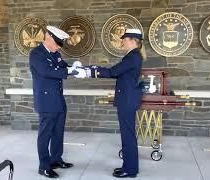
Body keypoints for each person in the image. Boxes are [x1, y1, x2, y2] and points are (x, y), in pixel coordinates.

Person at [79, 29, 146, 178]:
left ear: (133, 41)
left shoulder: (133, 57)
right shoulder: (132, 56)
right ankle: (128, 166)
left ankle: (130, 169)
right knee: (127, 134)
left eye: (125, 39)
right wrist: (92, 69)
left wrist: (90, 71)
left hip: (127, 100)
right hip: (127, 99)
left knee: (128, 135)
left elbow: (113, 72)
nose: (122, 41)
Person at [29, 25, 83, 178]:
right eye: (57, 44)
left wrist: (74, 68)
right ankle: (44, 166)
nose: (59, 48)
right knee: (45, 134)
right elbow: (47, 72)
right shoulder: (37, 54)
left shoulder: (54, 53)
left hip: (58, 99)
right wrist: (68, 71)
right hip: (46, 101)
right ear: (48, 38)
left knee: (58, 132)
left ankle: (56, 160)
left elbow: (62, 66)